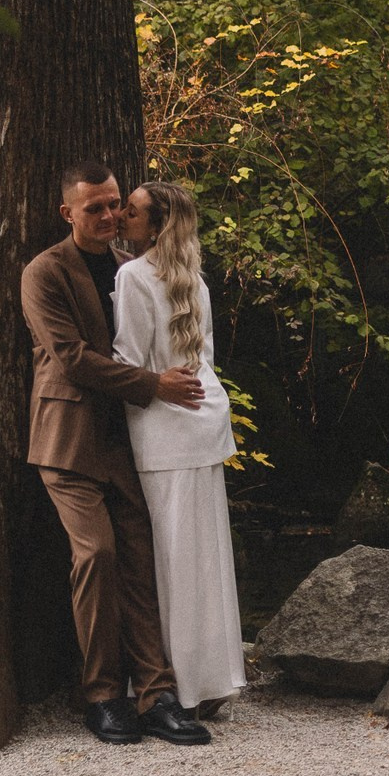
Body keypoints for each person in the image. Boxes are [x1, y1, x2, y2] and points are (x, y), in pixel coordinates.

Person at [17, 161, 211, 747]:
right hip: (67, 439)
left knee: (139, 558)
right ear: (67, 213)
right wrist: (154, 385)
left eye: (113, 205)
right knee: (97, 556)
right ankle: (101, 693)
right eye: (94, 207)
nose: (107, 216)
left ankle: (156, 695)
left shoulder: (134, 270)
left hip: (130, 439)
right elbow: (71, 357)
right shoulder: (44, 272)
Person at [116, 180, 248, 716]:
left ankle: (178, 688)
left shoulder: (132, 276)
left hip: (164, 432)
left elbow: (128, 359)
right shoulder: (193, 280)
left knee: (169, 563)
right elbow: (203, 357)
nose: (123, 217)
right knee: (206, 560)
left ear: (157, 225)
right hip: (202, 423)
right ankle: (211, 682)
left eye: (132, 211)